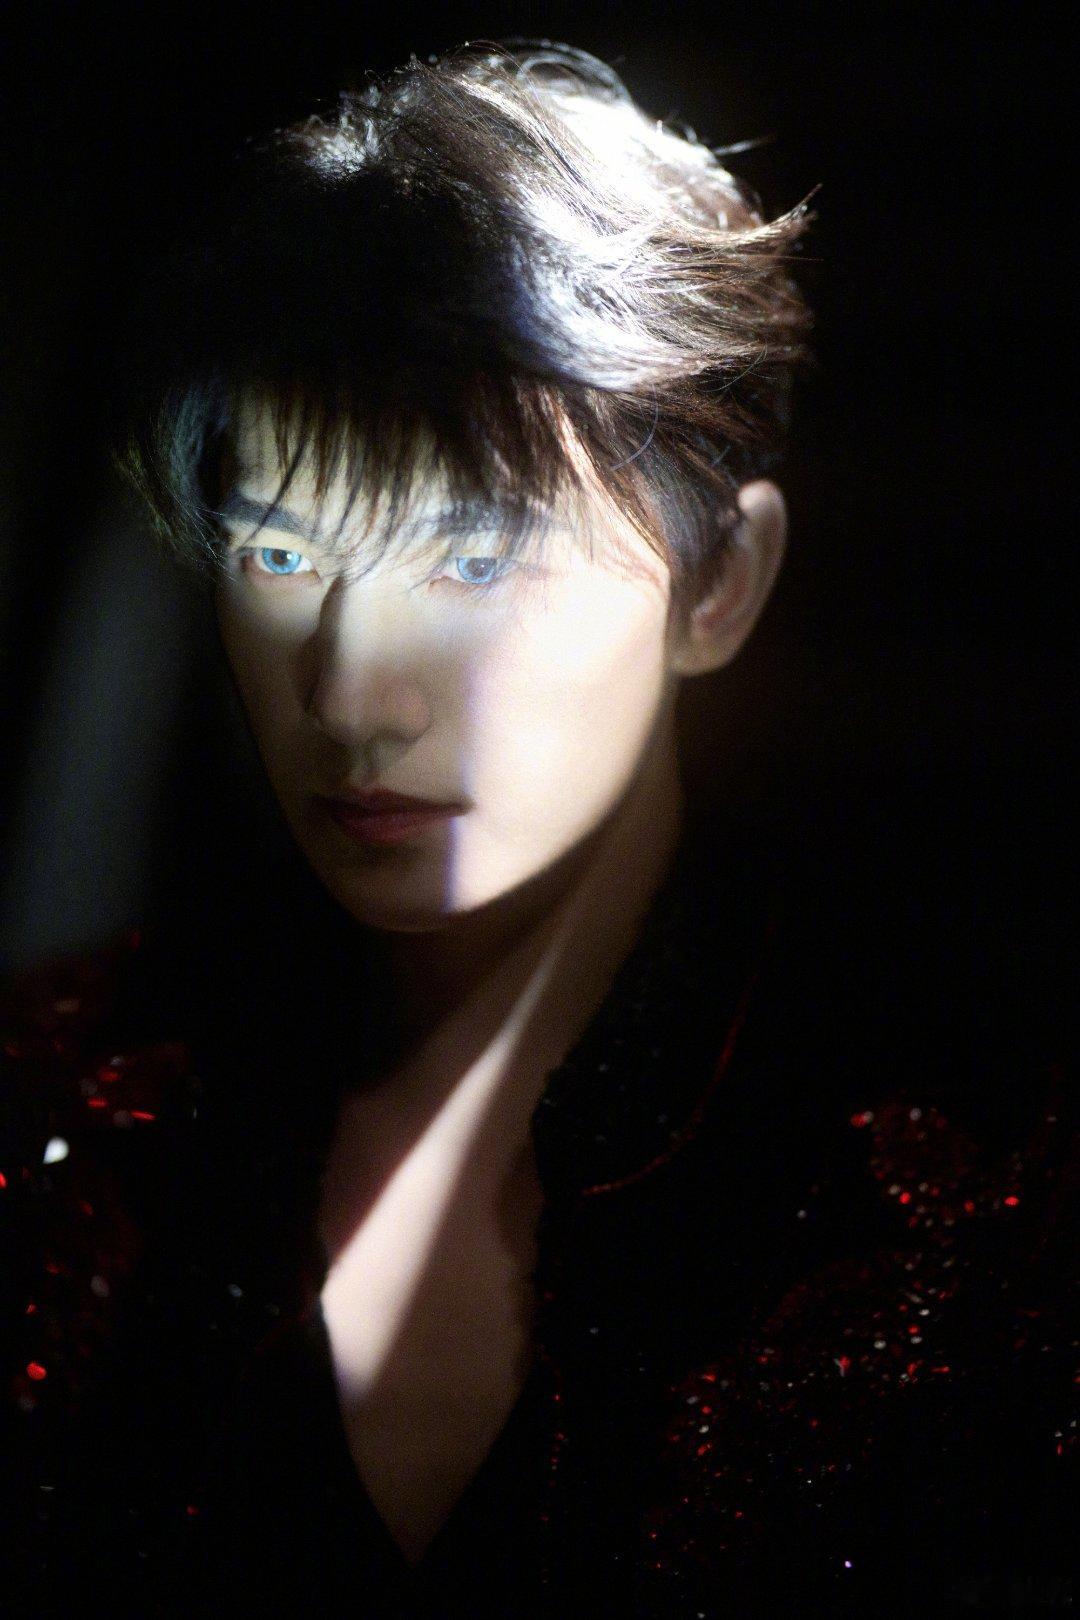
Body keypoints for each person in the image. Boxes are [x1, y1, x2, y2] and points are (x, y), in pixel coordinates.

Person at [3, 40, 1074, 1619]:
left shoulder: (973, 1196)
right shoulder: (63, 1116)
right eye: (281, 556)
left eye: (477, 560)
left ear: (719, 585)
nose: (351, 694)